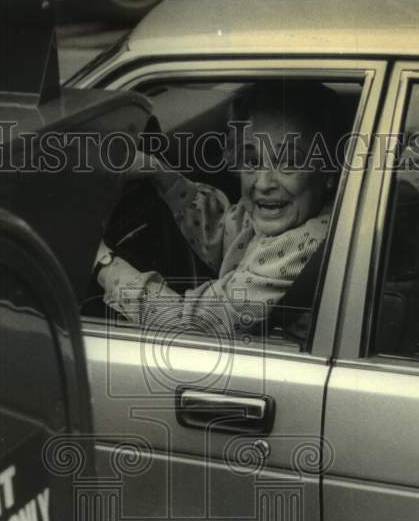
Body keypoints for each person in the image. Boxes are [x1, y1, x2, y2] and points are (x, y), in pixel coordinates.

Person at [93, 80, 342, 337]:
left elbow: (192, 325)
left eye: (289, 163)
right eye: (252, 161)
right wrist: (161, 174)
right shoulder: (292, 215)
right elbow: (229, 230)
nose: (264, 183)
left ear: (329, 174)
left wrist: (103, 264)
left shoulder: (302, 244)